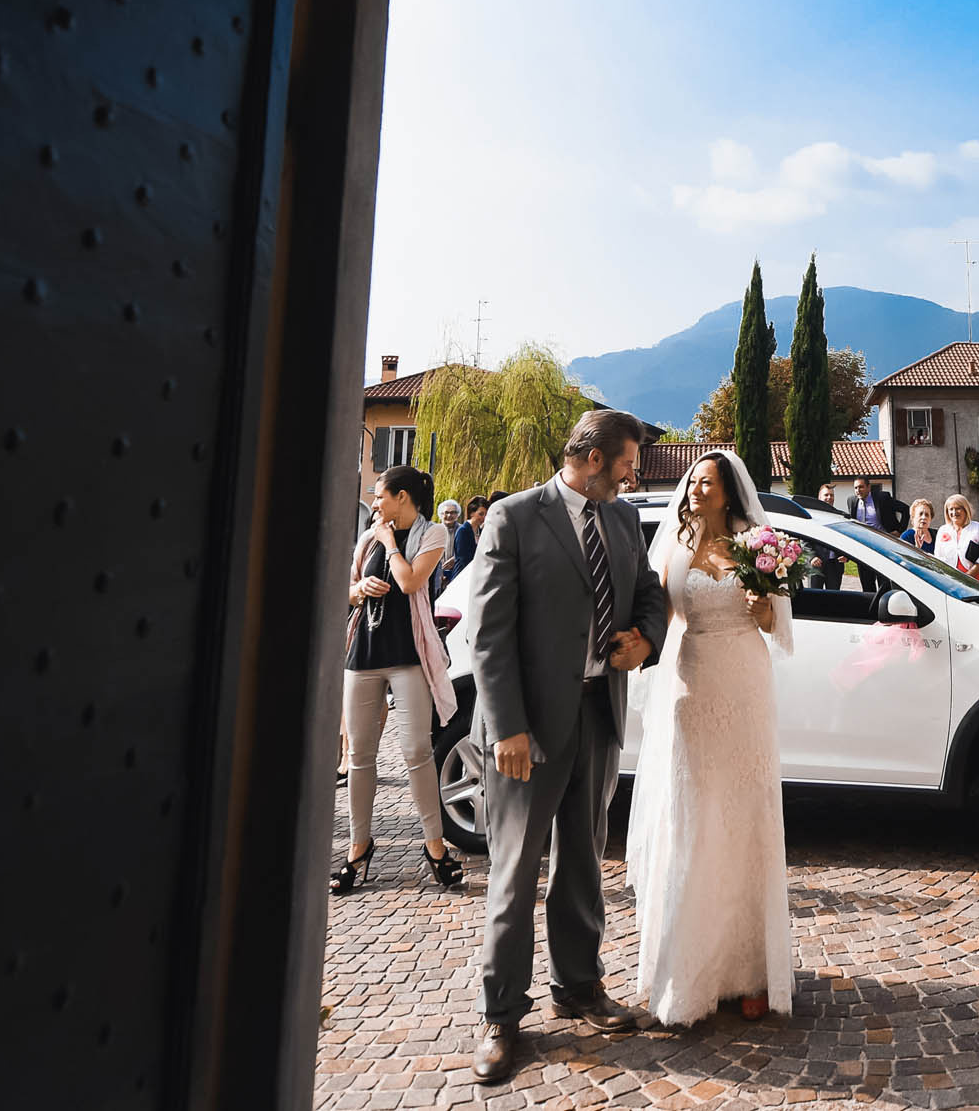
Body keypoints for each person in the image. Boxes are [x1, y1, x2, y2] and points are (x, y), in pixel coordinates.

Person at [464, 411, 670, 1084]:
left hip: (596, 715)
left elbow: (648, 593)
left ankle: (579, 986)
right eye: (627, 464)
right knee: (516, 870)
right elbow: (489, 635)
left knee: (582, 861)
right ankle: (501, 1014)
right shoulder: (515, 518)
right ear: (590, 456)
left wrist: (645, 638)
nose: (633, 476)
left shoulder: (620, 520)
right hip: (527, 730)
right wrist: (508, 727)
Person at [628, 450, 796, 1025]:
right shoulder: (673, 544)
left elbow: (776, 622)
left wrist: (763, 606)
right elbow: (657, 613)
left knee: (744, 818)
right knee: (695, 818)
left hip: (745, 683)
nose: (696, 489)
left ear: (729, 492)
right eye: (693, 481)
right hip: (690, 682)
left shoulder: (757, 544)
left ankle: (750, 971)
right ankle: (689, 967)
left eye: (707, 483)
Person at [331, 465, 461, 895]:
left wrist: (389, 544)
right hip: (363, 655)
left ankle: (435, 847)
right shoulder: (368, 537)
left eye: (381, 496)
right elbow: (344, 590)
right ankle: (358, 848)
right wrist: (359, 588)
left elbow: (410, 582)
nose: (377, 503)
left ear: (402, 497)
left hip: (408, 657)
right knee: (360, 757)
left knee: (416, 752)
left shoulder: (431, 536)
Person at [935, 494, 979, 582]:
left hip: (976, 579)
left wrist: (967, 577)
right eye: (951, 509)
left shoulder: (978, 528)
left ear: (966, 510)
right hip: (951, 580)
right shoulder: (942, 530)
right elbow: (938, 558)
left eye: (958, 508)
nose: (954, 512)